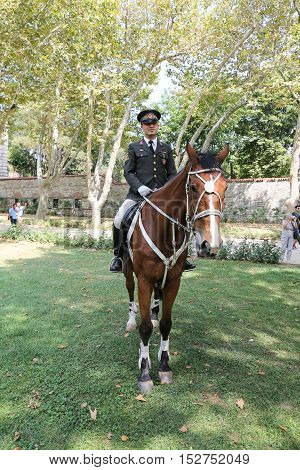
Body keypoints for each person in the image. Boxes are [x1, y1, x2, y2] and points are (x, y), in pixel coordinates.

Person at [109, 109, 196, 273]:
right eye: (147, 124)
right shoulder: (134, 147)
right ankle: (118, 257)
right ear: (142, 126)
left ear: (157, 125)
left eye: (154, 123)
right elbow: (128, 172)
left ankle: (184, 256)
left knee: (183, 218)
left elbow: (172, 173)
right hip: (138, 195)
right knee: (119, 219)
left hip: (163, 197)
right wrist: (139, 187)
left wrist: (167, 189)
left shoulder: (166, 148)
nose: (151, 126)